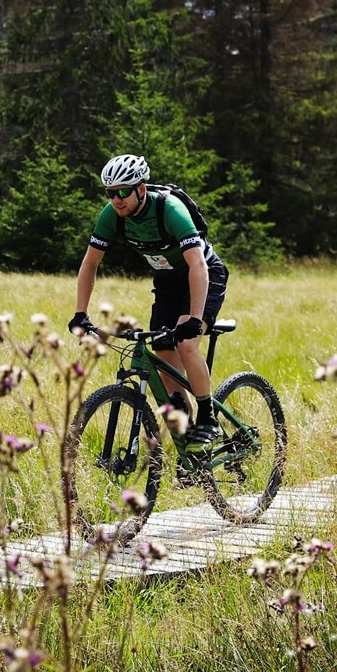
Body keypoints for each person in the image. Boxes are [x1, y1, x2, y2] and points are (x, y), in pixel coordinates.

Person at [68, 154, 229, 453]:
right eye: (110, 192)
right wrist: (81, 313)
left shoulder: (169, 210)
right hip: (168, 280)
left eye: (123, 191)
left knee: (187, 343)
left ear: (141, 189)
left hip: (204, 273)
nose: (116, 199)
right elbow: (90, 263)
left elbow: (197, 265)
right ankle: (190, 448)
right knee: (164, 355)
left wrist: (194, 318)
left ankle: (208, 417)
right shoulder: (112, 214)